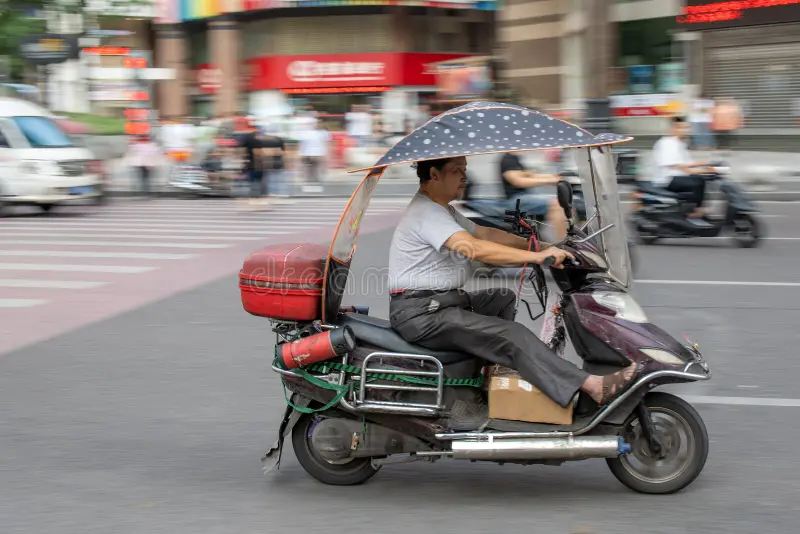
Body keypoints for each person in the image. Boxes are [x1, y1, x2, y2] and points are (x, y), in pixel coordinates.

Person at [388, 156, 637, 409]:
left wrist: (544, 246)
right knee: (512, 335)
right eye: (457, 171)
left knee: (500, 298)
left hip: (440, 303)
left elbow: (486, 233)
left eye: (465, 170)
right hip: (423, 313)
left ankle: (488, 380)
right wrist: (537, 257)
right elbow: (473, 248)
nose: (465, 177)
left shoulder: (443, 210)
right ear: (434, 174)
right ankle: (593, 386)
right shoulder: (426, 213)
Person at [652, 116, 713, 223]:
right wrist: (698, 170)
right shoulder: (667, 143)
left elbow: (686, 164)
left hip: (678, 176)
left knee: (703, 179)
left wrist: (705, 164)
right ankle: (694, 212)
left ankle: (695, 210)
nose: (685, 130)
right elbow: (675, 166)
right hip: (668, 179)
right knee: (698, 181)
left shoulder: (679, 143)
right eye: (682, 128)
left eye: (686, 128)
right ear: (673, 128)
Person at [499, 152, 567, 240]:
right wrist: (550, 181)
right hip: (516, 199)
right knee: (558, 204)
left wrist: (553, 176)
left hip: (524, 197)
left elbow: (530, 175)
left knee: (565, 202)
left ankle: (549, 240)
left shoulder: (515, 159)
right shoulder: (508, 159)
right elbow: (517, 181)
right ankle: (563, 243)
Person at [298, 118, 330, 191]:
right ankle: (311, 179)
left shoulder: (322, 133)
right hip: (311, 153)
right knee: (311, 167)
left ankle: (313, 179)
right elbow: (302, 145)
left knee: (313, 167)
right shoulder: (308, 133)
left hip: (316, 153)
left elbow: (326, 144)